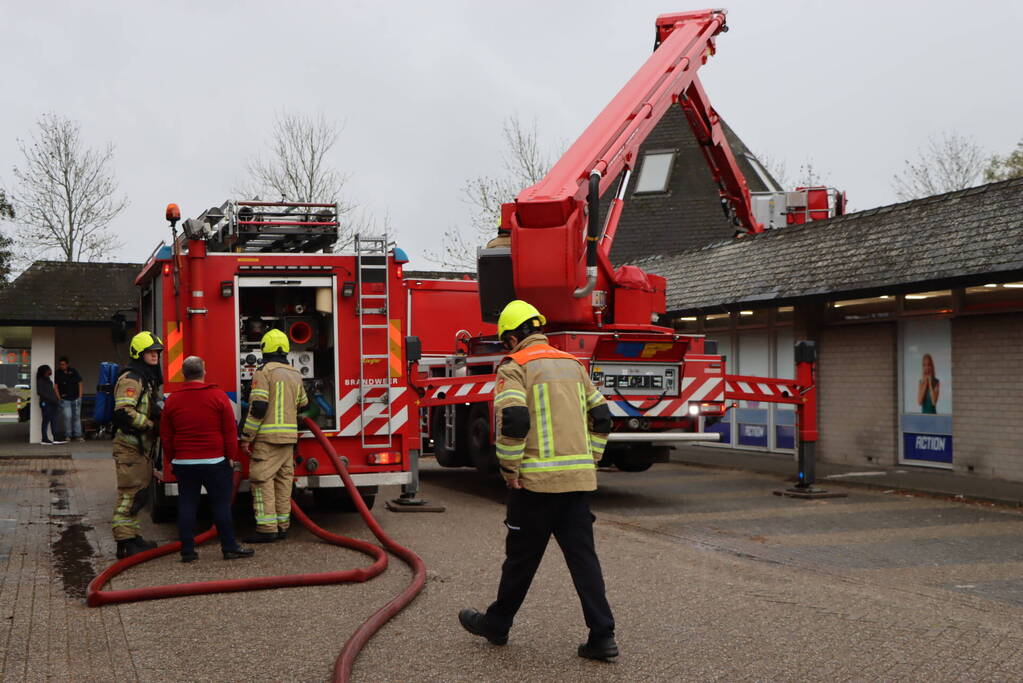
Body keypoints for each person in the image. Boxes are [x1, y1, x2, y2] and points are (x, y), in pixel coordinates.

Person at [458, 300, 619, 661]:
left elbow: (514, 422)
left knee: (520, 560)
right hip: (576, 485)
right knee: (584, 562)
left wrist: (509, 471)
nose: (506, 347)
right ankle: (603, 636)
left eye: (505, 341)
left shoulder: (515, 367)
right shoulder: (573, 364)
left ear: (513, 337)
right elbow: (603, 417)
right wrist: (590, 459)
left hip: (534, 486)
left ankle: (497, 626)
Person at [161, 356, 253, 562]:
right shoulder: (218, 396)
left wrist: (172, 459)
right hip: (215, 462)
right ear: (204, 372)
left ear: (183, 374)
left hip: (184, 463)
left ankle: (187, 551)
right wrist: (230, 456)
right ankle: (229, 547)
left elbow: (166, 435)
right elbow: (230, 432)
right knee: (221, 505)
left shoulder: (172, 400)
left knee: (187, 505)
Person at [240, 329, 309, 543]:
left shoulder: (264, 372)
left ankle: (267, 528)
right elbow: (304, 404)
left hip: (267, 440)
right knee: (283, 482)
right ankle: (282, 525)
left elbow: (258, 407)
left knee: (262, 481)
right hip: (288, 439)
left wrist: (246, 436)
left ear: (264, 349)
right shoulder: (295, 373)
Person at [110, 331, 164, 559]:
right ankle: (124, 543)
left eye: (157, 352)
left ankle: (132, 537)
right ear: (139, 353)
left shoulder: (144, 378)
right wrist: (150, 424)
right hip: (130, 447)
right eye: (150, 352)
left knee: (139, 494)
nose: (155, 356)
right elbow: (123, 412)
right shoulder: (132, 378)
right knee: (129, 495)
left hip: (140, 448)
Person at [55, 356, 84, 442]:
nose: (62, 366)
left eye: (63, 364)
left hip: (75, 398)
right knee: (67, 416)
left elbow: (80, 383)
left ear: (67, 364)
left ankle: (78, 435)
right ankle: (68, 435)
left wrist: (80, 396)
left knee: (76, 417)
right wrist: (59, 398)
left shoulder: (74, 371)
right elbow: (55, 386)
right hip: (65, 399)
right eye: (60, 364)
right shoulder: (58, 373)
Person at [35, 365, 66, 445]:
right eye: (48, 370)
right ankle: (44, 439)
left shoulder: (48, 379)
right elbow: (40, 392)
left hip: (53, 403)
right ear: (44, 372)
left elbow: (51, 391)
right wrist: (52, 399)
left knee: (54, 420)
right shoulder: (40, 380)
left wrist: (56, 400)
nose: (50, 371)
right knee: (46, 421)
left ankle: (56, 438)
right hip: (46, 403)